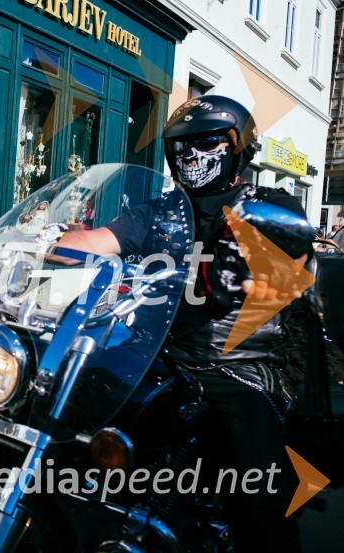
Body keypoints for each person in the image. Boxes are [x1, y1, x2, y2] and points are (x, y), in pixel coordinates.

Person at [58, 95, 308, 552]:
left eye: (206, 144)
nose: (191, 156)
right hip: (156, 359)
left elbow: (292, 252)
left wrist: (246, 269)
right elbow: (98, 239)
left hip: (236, 368)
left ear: (236, 148)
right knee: (66, 424)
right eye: (182, 147)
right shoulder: (160, 211)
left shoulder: (267, 204)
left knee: (257, 494)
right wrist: (45, 242)